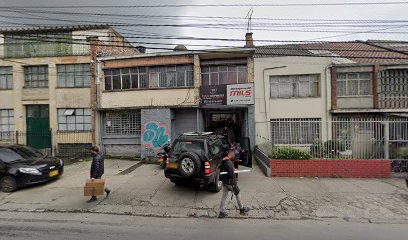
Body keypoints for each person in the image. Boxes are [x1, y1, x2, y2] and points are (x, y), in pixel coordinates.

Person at [218, 150, 249, 218]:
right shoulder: (229, 162)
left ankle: (221, 212)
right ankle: (241, 209)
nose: (234, 157)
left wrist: (232, 169)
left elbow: (226, 170)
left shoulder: (224, 160)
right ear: (232, 155)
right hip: (230, 182)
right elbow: (231, 174)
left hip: (225, 182)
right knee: (237, 193)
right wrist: (234, 172)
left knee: (224, 196)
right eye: (234, 156)